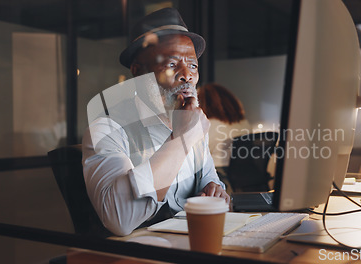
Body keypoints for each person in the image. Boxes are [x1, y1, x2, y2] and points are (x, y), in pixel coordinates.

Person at [82, 8, 229, 236]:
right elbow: (119, 219)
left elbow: (210, 179)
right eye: (172, 65)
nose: (187, 75)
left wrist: (217, 191)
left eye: (192, 66)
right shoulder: (107, 129)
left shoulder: (192, 123)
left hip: (194, 243)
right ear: (138, 73)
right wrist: (182, 139)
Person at [198, 83, 253, 181]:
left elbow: (198, 158)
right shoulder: (245, 123)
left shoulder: (207, 125)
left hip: (218, 176)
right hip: (244, 176)